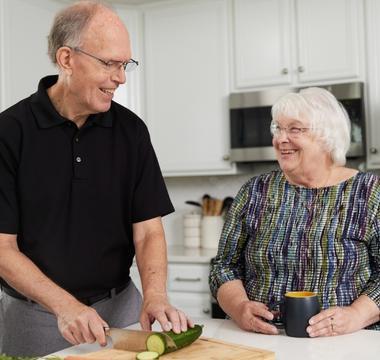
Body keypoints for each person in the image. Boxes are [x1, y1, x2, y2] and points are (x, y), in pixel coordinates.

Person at [0, 1, 192, 356]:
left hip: (122, 309)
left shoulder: (131, 131)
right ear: (66, 59)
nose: (120, 77)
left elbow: (148, 229)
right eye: (109, 63)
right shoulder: (9, 133)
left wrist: (155, 295)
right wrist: (65, 306)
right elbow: (2, 248)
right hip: (38, 316)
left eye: (125, 65)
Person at [209, 86, 380, 337]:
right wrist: (239, 307)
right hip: (262, 340)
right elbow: (224, 267)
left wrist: (355, 315)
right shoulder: (256, 191)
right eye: (277, 128)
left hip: (345, 341)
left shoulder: (369, 193)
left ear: (326, 136)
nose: (280, 139)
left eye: (294, 129)